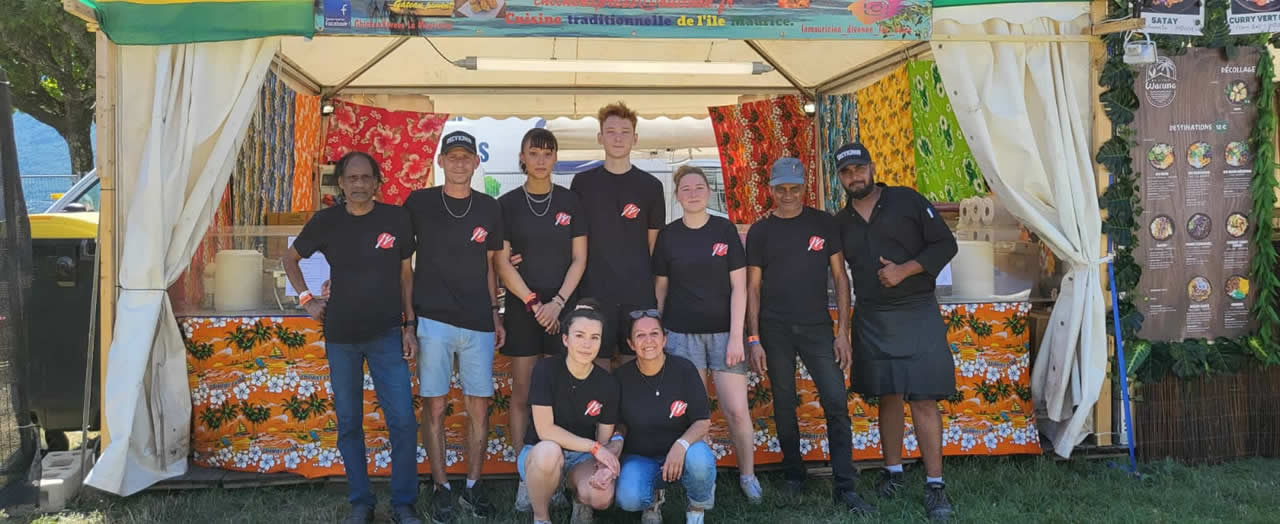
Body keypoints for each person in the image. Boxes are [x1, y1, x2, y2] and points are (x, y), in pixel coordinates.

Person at [282, 151, 422, 524]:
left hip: (388, 333)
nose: (359, 185)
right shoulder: (326, 222)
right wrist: (307, 298)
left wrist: (410, 326)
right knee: (349, 423)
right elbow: (290, 259)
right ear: (340, 184)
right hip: (341, 336)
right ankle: (361, 502)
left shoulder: (396, 218)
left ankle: (403, 502)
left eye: (365, 178)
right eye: (351, 178)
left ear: (377, 182)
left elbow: (406, 276)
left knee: (403, 421)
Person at [834, 142, 958, 521]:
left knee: (922, 398)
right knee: (886, 394)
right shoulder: (840, 223)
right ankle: (893, 474)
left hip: (916, 308)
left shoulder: (906, 200)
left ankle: (935, 485)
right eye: (846, 172)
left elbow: (945, 244)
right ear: (840, 178)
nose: (854, 176)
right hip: (872, 315)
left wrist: (905, 269)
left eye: (859, 168)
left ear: (872, 167)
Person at [745, 158, 874, 515]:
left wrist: (843, 332)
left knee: (835, 400)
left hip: (818, 327)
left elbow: (841, 279)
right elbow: (753, 287)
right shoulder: (760, 231)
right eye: (781, 189)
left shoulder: (823, 223)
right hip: (775, 328)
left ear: (806, 188)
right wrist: (753, 338)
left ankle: (845, 485)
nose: (788, 195)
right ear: (770, 189)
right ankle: (794, 474)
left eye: (795, 188)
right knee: (784, 402)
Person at [403, 131, 504, 522]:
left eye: (467, 157)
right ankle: (441, 487)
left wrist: (496, 315)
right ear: (440, 161)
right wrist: (408, 321)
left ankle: (474, 486)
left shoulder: (490, 207)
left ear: (477, 162)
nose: (460, 163)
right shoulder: (419, 203)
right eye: (453, 156)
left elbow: (492, 266)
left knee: (479, 406)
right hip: (432, 319)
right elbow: (401, 265)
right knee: (436, 405)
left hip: (478, 320)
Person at [651, 165, 761, 503]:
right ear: (677, 195)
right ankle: (700, 478)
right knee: (691, 414)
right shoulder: (669, 235)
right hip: (682, 336)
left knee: (737, 411)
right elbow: (661, 289)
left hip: (723, 336)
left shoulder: (724, 230)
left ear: (709, 192)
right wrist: (657, 331)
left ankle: (748, 475)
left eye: (699, 187)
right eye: (686, 188)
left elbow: (739, 288)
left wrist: (734, 336)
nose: (694, 193)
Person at [494, 128, 589, 510]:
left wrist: (559, 303)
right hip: (523, 309)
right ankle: (525, 476)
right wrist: (535, 304)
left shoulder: (571, 201)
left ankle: (564, 474)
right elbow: (502, 262)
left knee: (564, 395)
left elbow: (580, 258)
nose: (540, 160)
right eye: (533, 153)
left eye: (547, 153)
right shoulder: (506, 205)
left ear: (555, 158)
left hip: (565, 311)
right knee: (522, 392)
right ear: (522, 158)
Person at [570, 102, 665, 368]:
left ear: (635, 138)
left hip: (637, 294)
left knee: (633, 370)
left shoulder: (651, 187)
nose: (618, 138)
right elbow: (572, 239)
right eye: (610, 131)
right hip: (593, 292)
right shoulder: (583, 184)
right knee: (594, 369)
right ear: (600, 137)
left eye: (625, 132)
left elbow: (653, 245)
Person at [518, 304, 621, 524]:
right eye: (579, 335)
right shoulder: (545, 370)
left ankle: (579, 500)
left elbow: (604, 438)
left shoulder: (607, 383)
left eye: (595, 337)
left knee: (602, 496)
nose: (587, 344)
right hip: (540, 452)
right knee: (549, 452)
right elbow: (545, 430)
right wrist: (594, 447)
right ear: (565, 339)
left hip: (581, 459)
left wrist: (602, 468)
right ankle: (541, 516)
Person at [614, 312, 717, 524]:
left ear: (664, 339)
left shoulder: (684, 369)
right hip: (640, 455)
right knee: (629, 499)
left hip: (684, 451)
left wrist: (681, 445)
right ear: (631, 344)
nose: (648, 340)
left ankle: (696, 508)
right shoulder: (621, 377)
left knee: (700, 459)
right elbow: (619, 422)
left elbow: (702, 421)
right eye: (640, 335)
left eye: (654, 333)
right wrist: (616, 440)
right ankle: (652, 498)